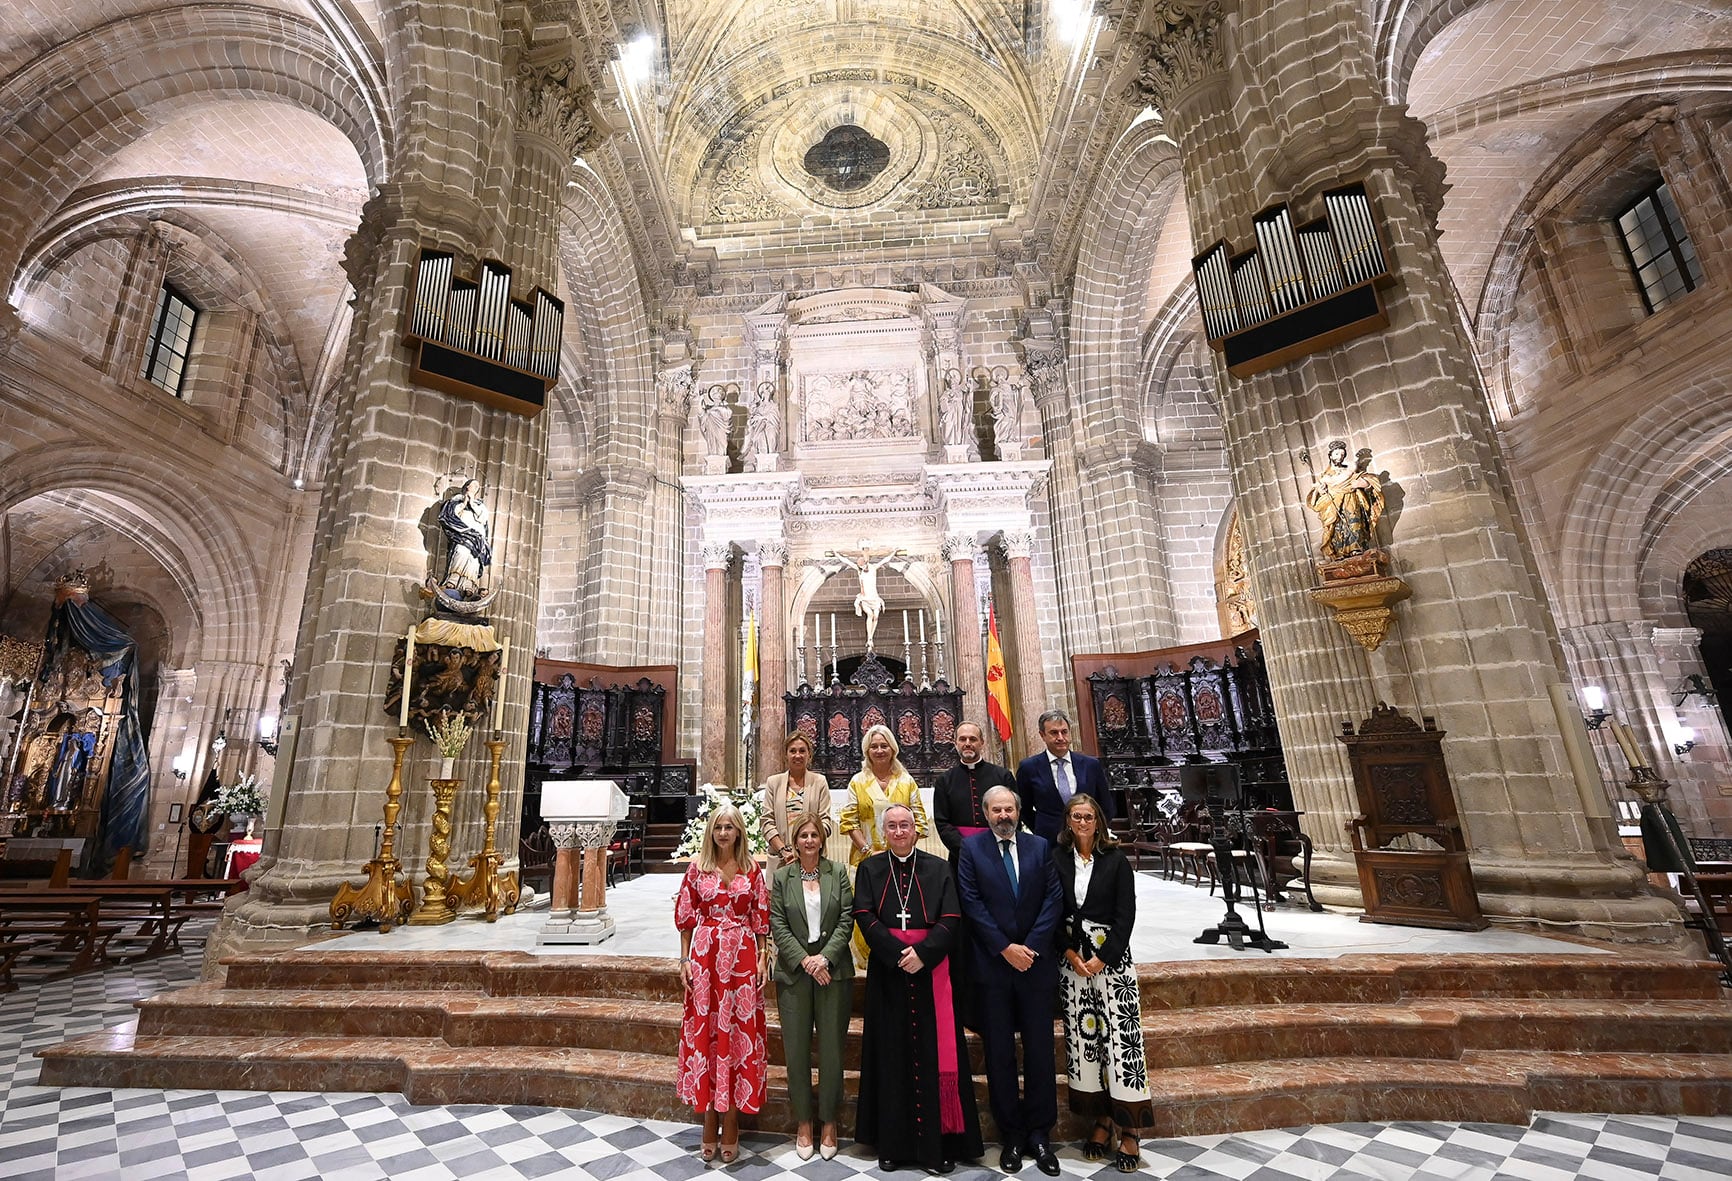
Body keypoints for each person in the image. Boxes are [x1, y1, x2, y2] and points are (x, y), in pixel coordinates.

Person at [853, 804, 983, 1173]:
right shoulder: (871, 868)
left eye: (904, 825)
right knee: (890, 1055)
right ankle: (892, 1144)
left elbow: (952, 916)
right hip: (889, 973)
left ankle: (938, 1144)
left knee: (932, 1055)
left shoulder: (939, 868)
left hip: (931, 971)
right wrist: (897, 953)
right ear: (884, 832)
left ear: (916, 829)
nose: (898, 832)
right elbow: (863, 913)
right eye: (891, 826)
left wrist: (924, 953)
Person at [957, 786, 1064, 1175]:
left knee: (1039, 1051)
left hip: (1035, 966)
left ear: (1019, 812)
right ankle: (1012, 1135)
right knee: (1000, 1053)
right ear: (985, 814)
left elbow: (1054, 899)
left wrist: (1029, 947)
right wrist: (1005, 948)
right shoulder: (972, 850)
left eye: (1009, 809)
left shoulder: (1039, 847)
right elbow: (971, 902)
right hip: (993, 967)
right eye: (996, 809)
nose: (1004, 815)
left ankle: (1039, 1133)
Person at [1055, 793, 1151, 1172]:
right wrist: (1070, 954)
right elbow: (1052, 909)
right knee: (1085, 1042)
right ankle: (1101, 1121)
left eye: (1088, 816)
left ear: (1098, 821)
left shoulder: (1115, 861)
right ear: (1068, 821)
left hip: (1110, 960)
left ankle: (1129, 1128)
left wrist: (1101, 957)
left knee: (1122, 1042)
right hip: (1074, 962)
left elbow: (1125, 914)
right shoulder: (1057, 859)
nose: (1082, 822)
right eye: (1076, 816)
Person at [674, 802, 769, 1164]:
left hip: (742, 956)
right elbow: (685, 917)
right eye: (718, 827)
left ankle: (730, 1118)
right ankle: (709, 1114)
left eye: (730, 827)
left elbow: (761, 918)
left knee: (738, 1031)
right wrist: (684, 959)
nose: (724, 833)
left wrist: (762, 957)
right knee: (708, 1031)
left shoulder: (752, 868)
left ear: (740, 831)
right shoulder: (698, 869)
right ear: (710, 832)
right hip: (706, 954)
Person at [769, 815, 853, 1160]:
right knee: (797, 1050)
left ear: (822, 839)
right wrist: (805, 960)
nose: (808, 840)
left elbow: (847, 918)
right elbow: (777, 922)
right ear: (794, 840)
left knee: (832, 1049)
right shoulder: (781, 877)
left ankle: (829, 1121)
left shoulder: (839, 872)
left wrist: (826, 959)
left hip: (832, 973)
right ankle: (804, 1121)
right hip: (795, 973)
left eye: (813, 835)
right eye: (802, 835)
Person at [841, 723, 929, 966]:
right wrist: (869, 851)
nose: (879, 750)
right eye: (874, 747)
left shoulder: (906, 781)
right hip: (865, 858)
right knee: (867, 910)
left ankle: (903, 954)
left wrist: (902, 848)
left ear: (893, 749)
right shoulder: (858, 782)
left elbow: (919, 822)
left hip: (902, 859)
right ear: (867, 751)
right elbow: (849, 821)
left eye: (884, 745)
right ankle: (867, 962)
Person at [1015, 709, 1114, 842]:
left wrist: (1093, 830)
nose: (1061, 738)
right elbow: (1024, 808)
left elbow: (1105, 805)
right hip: (1049, 842)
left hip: (1088, 841)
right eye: (1054, 733)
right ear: (1042, 735)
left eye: (1064, 732)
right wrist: (1042, 830)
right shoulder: (1029, 767)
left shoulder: (1090, 765)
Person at [933, 721, 1017, 872]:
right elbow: (942, 822)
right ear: (955, 743)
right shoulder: (945, 780)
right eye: (962, 739)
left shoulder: (1002, 776)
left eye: (973, 739)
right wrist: (964, 849)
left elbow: (1016, 812)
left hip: (999, 851)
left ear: (982, 743)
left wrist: (998, 842)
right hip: (960, 855)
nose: (967, 743)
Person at [1304, 438, 1385, 562]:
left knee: (1353, 522)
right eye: (1337, 454)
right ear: (1330, 455)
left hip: (1351, 500)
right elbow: (1318, 494)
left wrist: (1362, 484)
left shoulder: (1350, 470)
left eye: (1342, 454)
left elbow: (1368, 481)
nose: (1339, 457)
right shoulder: (1325, 475)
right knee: (1337, 526)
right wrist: (1321, 490)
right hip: (1333, 504)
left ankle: (1356, 549)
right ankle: (1339, 551)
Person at [761, 731, 831, 867]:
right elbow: (766, 822)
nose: (797, 755)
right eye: (792, 751)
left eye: (802, 751)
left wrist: (806, 848)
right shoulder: (773, 783)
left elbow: (825, 822)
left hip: (812, 858)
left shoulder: (819, 782)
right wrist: (783, 850)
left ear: (809, 755)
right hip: (781, 859)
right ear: (785, 755)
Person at [438, 478, 492, 594]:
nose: (475, 488)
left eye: (477, 487)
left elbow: (483, 518)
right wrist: (463, 504)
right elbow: (451, 514)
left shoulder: (479, 504)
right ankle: (453, 580)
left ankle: (468, 584)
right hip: (462, 531)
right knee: (461, 551)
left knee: (473, 559)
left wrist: (472, 504)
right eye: (473, 485)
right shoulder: (456, 501)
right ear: (467, 487)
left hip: (476, 534)